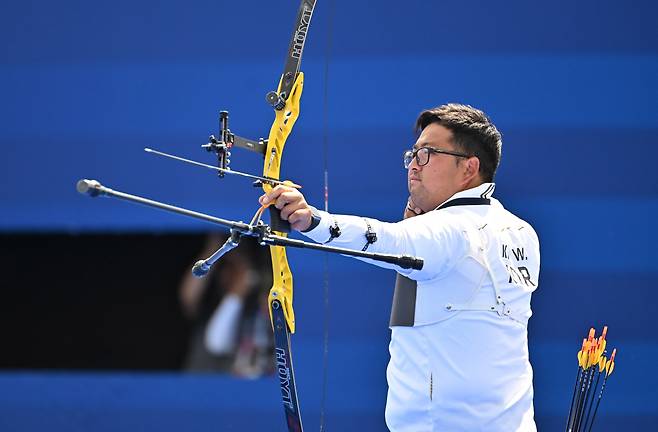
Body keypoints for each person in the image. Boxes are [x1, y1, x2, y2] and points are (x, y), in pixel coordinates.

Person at [259, 103, 540, 431]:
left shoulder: (451, 231)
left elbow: (387, 239)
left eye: (427, 154)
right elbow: (441, 300)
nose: (413, 166)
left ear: (469, 168)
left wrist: (312, 221)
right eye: (413, 154)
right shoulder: (521, 233)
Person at [180, 234, 274, 376]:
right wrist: (213, 249)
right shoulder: (209, 302)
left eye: (237, 268)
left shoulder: (256, 305)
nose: (231, 274)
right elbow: (187, 298)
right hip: (203, 384)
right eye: (227, 267)